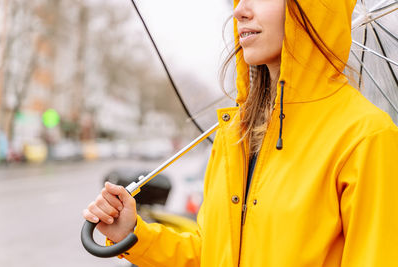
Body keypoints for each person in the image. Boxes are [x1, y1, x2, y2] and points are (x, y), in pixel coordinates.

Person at [83, 0, 398, 266]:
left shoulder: (366, 137)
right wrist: (134, 235)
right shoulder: (234, 135)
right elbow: (213, 252)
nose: (240, 11)